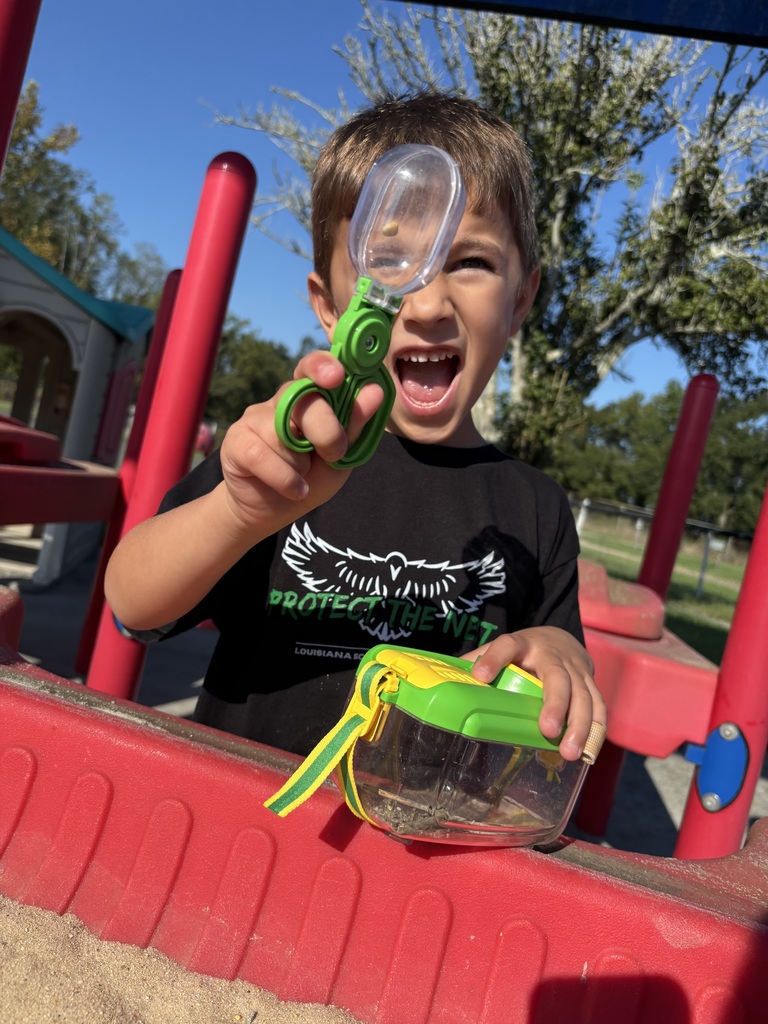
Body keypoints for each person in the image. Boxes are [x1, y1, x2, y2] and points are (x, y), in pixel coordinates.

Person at [105, 92, 605, 762]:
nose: (427, 303)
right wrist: (240, 511)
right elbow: (134, 605)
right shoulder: (283, 455)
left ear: (520, 300)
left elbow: (555, 674)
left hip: (424, 850)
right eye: (390, 264)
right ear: (330, 306)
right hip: (248, 827)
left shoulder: (535, 510)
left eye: (470, 262)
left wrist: (561, 656)